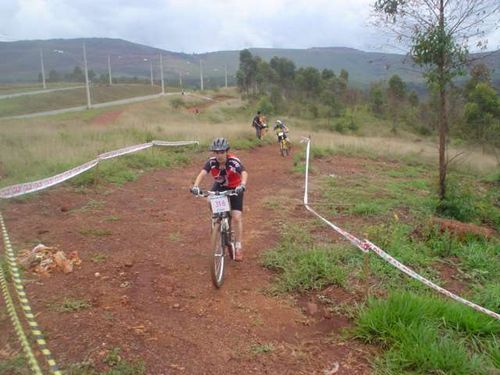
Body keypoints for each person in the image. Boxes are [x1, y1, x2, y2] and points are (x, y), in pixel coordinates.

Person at [191, 138, 248, 261]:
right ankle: (216, 218)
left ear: (226, 151)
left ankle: (238, 246)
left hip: (235, 188)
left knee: (237, 217)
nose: (219, 155)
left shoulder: (233, 161)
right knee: (209, 199)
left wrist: (242, 184)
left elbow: (243, 172)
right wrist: (195, 186)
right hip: (220, 186)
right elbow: (202, 173)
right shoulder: (211, 162)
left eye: (222, 152)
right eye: (216, 152)